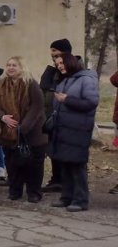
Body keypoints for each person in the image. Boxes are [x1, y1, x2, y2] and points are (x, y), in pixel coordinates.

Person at [0, 56, 46, 202]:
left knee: (33, 165)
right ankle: (15, 191)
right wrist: (2, 117)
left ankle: (34, 193)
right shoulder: (1, 83)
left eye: (14, 65)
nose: (11, 68)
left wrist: (23, 128)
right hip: (8, 131)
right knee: (12, 163)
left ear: (22, 67)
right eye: (8, 65)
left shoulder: (31, 83)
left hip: (32, 132)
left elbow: (37, 106)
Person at [48, 53, 99, 212]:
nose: (59, 66)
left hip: (78, 130)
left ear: (70, 62)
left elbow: (91, 102)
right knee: (65, 164)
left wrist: (67, 99)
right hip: (63, 129)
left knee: (77, 166)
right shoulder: (65, 80)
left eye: (61, 63)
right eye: (57, 64)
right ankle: (66, 197)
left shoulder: (86, 79)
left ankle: (80, 200)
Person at [40, 38, 72, 192]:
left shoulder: (73, 71)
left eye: (56, 54)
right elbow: (43, 89)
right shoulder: (53, 71)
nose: (53, 57)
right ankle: (57, 180)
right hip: (50, 117)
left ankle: (68, 183)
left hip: (67, 119)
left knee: (66, 151)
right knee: (53, 149)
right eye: (52, 55)